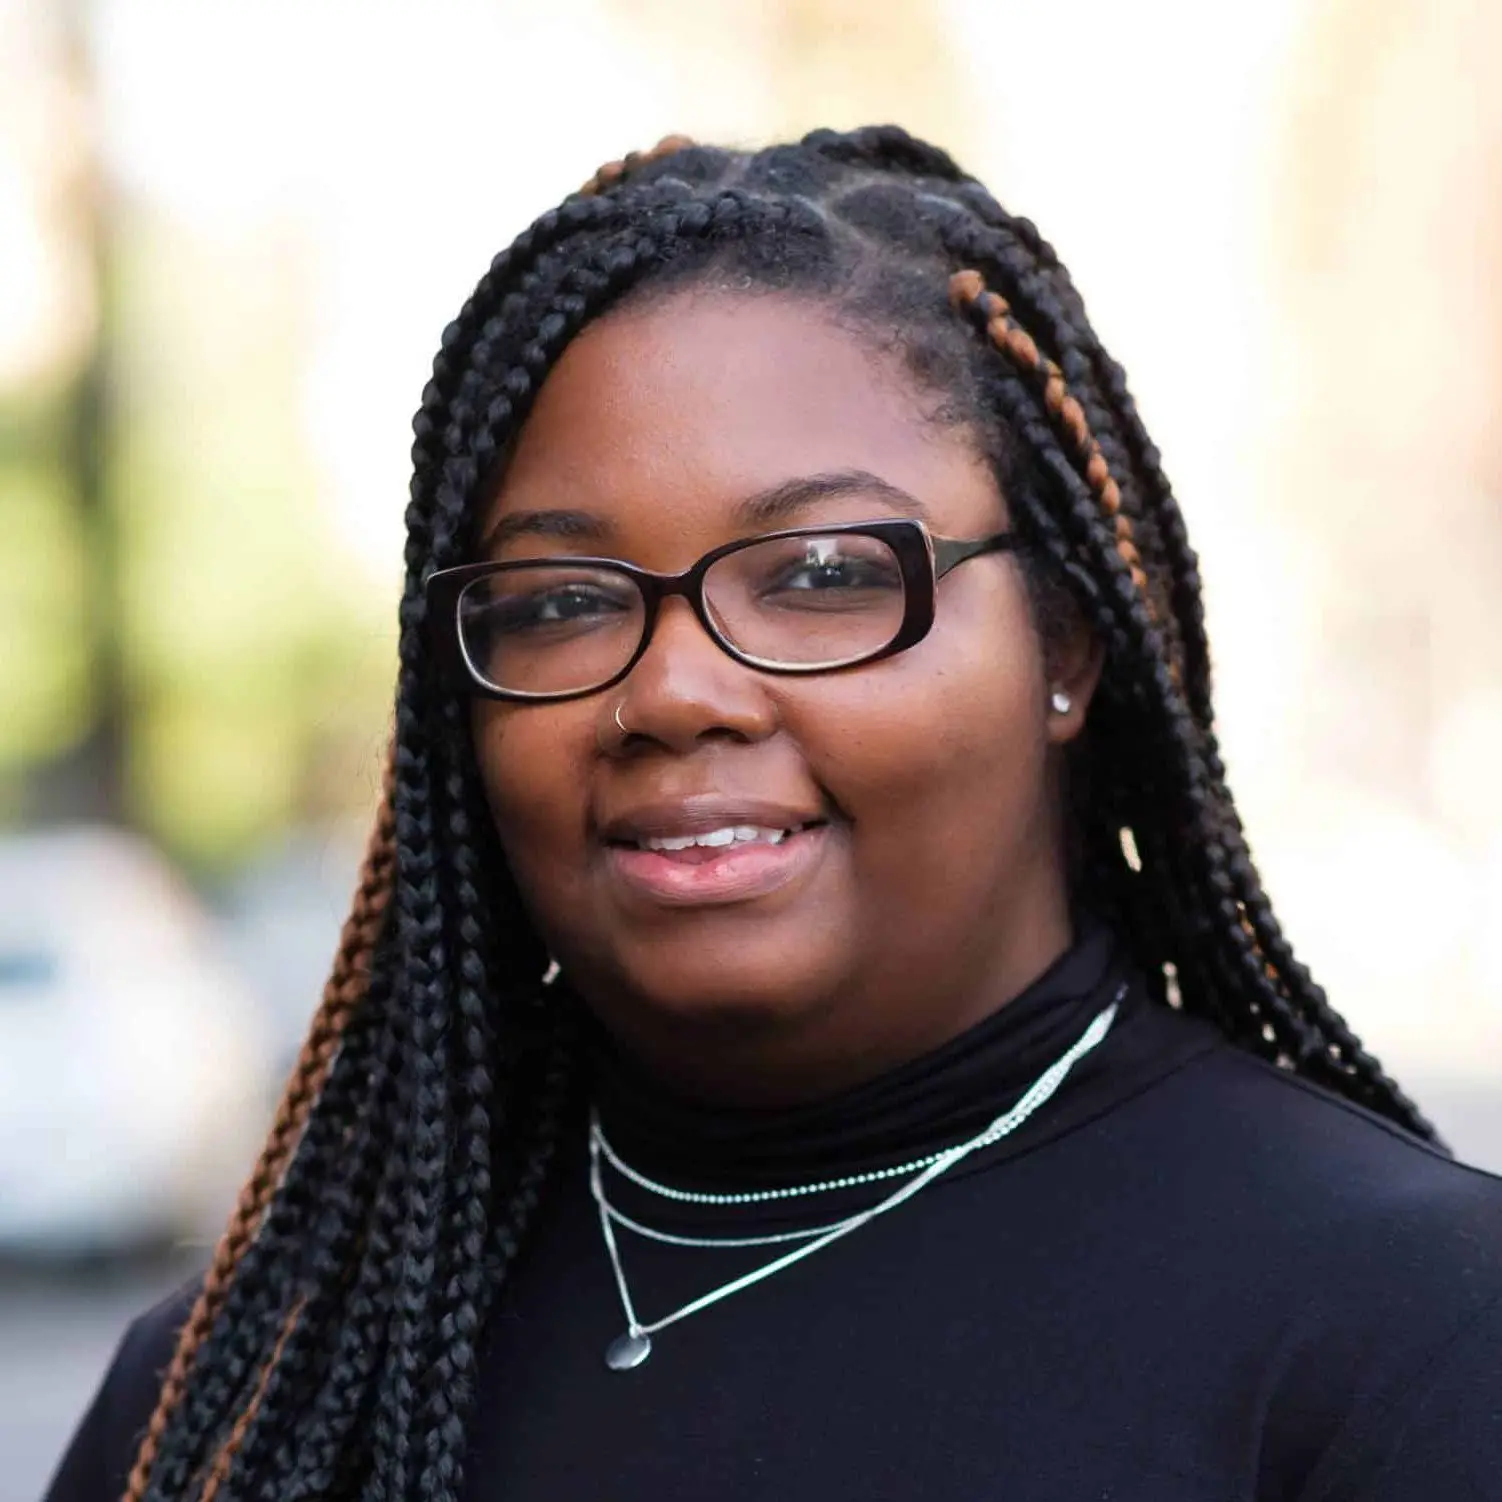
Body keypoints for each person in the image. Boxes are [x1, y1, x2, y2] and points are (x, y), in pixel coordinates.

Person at [45, 125, 1502, 1502]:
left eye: (817, 577)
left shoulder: (1406, 1337)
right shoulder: (243, 1398)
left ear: (1063, 646)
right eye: (558, 602)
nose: (673, 690)